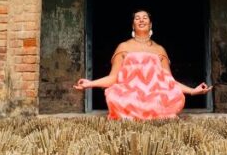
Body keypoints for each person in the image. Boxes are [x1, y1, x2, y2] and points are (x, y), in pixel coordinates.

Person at [74, 9, 211, 119]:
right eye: (137, 18)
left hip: (155, 96)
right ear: (133, 25)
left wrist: (193, 91)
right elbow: (113, 78)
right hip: (130, 97)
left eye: (145, 17)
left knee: (173, 96)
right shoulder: (123, 47)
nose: (141, 20)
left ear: (151, 24)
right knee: (116, 97)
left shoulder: (159, 49)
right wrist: (89, 84)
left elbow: (170, 81)